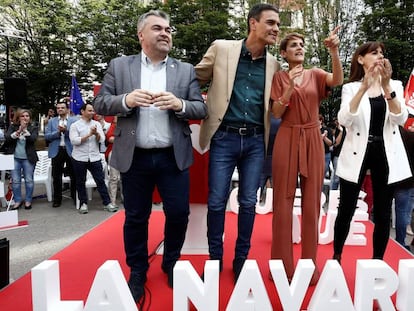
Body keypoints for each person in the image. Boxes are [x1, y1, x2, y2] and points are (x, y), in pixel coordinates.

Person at [92, 9, 207, 303]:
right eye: (158, 28)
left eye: (168, 29)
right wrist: (126, 100)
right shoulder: (120, 67)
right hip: (135, 157)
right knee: (135, 217)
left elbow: (201, 108)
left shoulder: (184, 70)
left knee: (179, 214)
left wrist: (180, 104)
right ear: (141, 35)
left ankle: (170, 263)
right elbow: (101, 102)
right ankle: (138, 270)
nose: (165, 33)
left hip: (173, 157)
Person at [195, 3, 280, 282]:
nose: (276, 29)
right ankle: (215, 258)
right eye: (270, 23)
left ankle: (241, 258)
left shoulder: (274, 64)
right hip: (224, 137)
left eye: (277, 25)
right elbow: (194, 78)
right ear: (253, 23)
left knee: (247, 203)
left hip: (256, 140)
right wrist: (193, 107)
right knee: (217, 201)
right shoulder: (222, 48)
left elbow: (277, 105)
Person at [270, 29, 343, 285]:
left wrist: (334, 51)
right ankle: (281, 267)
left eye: (301, 44)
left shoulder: (315, 74)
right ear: (283, 53)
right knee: (282, 203)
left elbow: (337, 80)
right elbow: (277, 113)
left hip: (312, 138)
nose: (299, 48)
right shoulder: (278, 77)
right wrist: (289, 89)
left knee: (312, 203)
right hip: (287, 138)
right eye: (293, 45)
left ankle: (309, 269)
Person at [333, 42, 411, 263]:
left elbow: (400, 119)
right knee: (346, 206)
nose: (379, 56)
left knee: (384, 210)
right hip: (357, 150)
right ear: (361, 59)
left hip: (385, 153)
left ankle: (378, 260)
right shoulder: (351, 88)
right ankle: (337, 254)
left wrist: (387, 87)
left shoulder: (394, 83)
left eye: (381, 53)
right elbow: (344, 120)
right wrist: (363, 88)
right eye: (374, 53)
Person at [69, 103, 118, 215]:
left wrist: (96, 134)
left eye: (93, 111)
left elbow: (102, 140)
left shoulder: (97, 124)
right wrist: (89, 135)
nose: (92, 113)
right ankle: (83, 203)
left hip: (94, 157)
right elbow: (74, 141)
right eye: (90, 110)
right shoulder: (75, 125)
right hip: (79, 158)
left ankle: (107, 203)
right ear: (83, 111)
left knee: (100, 180)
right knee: (80, 181)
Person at [44, 98, 78, 207]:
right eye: (58, 108)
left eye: (62, 108)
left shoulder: (74, 120)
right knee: (56, 176)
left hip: (71, 150)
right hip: (56, 150)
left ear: (67, 109)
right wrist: (58, 132)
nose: (60, 109)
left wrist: (66, 131)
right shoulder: (51, 121)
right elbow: (47, 136)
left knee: (74, 175)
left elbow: (76, 136)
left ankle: (74, 196)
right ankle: (57, 199)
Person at [4, 108, 39, 210]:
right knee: (15, 181)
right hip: (15, 158)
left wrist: (25, 130)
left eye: (27, 116)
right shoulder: (13, 127)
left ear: (30, 118)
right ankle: (18, 201)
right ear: (18, 118)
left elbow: (33, 139)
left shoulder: (33, 128)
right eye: (22, 116)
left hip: (28, 158)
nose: (25, 118)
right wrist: (19, 130)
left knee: (29, 180)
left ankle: (28, 200)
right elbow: (8, 138)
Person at [104, 116, 121, 208]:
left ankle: (126, 200)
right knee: (113, 178)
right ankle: (112, 201)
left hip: (126, 153)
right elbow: (109, 138)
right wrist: (123, 140)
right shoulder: (113, 126)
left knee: (125, 179)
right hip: (114, 152)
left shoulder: (129, 126)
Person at [330, 118, 346, 190]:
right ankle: (333, 193)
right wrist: (341, 131)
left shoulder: (348, 130)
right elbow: (336, 143)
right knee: (336, 178)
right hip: (338, 155)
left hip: (346, 156)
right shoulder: (337, 131)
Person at [319, 114, 333, 179]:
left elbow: (330, 143)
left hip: (326, 154)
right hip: (314, 155)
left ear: (321, 121)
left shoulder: (327, 130)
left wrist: (324, 137)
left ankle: (320, 188)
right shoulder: (312, 131)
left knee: (323, 173)